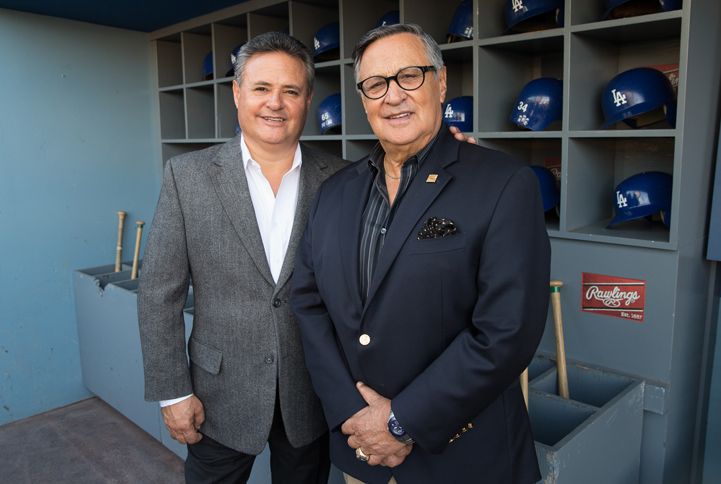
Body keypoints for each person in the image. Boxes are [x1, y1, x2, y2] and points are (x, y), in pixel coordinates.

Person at [290, 23, 551, 484]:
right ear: (362, 97)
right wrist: (355, 416)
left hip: (465, 459)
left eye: (409, 75)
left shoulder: (503, 184)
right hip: (362, 452)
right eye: (375, 84)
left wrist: (399, 422)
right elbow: (309, 306)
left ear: (442, 81)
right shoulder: (333, 194)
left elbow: (505, 331)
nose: (393, 96)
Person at [137, 32, 346, 483]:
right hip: (217, 395)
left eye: (291, 90)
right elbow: (158, 292)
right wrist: (173, 392)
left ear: (308, 98)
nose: (276, 103)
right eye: (262, 88)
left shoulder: (340, 179)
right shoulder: (187, 177)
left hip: (310, 394)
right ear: (237, 93)